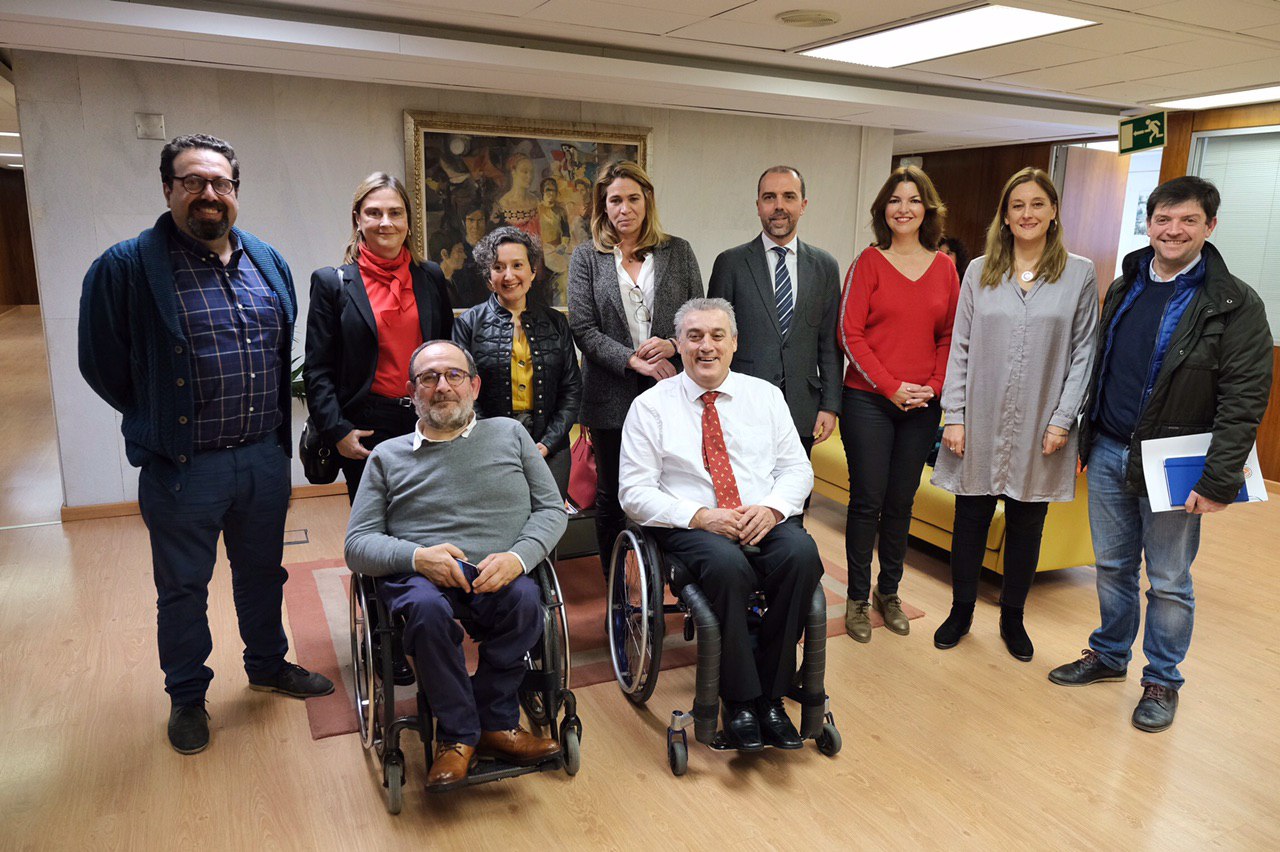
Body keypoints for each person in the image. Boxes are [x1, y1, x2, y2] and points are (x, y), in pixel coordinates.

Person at [78, 133, 333, 756]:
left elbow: (279, 351)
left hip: (262, 457)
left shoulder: (266, 260)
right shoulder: (125, 267)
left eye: (220, 182)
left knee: (262, 574)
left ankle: (268, 665)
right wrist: (156, 417)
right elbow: (100, 363)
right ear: (168, 188)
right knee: (184, 589)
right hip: (184, 467)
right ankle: (188, 696)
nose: (208, 193)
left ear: (235, 192)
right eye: (193, 181)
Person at [1048, 176, 1272, 733]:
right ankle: (1109, 654)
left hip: (1175, 464)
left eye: (1188, 220)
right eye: (1163, 219)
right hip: (1109, 449)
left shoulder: (1234, 303)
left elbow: (1244, 397)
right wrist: (1086, 435)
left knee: (1169, 578)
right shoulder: (1127, 283)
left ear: (1210, 226)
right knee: (1112, 566)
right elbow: (1102, 367)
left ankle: (1162, 680)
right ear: (1149, 224)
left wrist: (1218, 480)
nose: (1174, 230)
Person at [345, 339, 567, 790]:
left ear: (474, 386)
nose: (442, 386)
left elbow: (550, 509)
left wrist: (519, 557)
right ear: (412, 391)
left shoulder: (510, 434)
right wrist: (416, 557)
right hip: (420, 578)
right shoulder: (387, 456)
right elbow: (357, 544)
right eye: (429, 378)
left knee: (528, 603)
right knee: (426, 613)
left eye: (453, 375)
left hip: (500, 570)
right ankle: (458, 735)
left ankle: (495, 723)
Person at [619, 297, 822, 751]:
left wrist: (772, 509)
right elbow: (633, 492)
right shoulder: (650, 407)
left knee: (802, 554)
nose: (705, 346)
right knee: (728, 567)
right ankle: (742, 701)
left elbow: (797, 469)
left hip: (760, 514)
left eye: (716, 336)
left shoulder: (765, 396)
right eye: (694, 337)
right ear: (678, 345)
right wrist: (700, 516)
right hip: (692, 525)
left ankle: (771, 697)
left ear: (735, 343)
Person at [931, 167, 1098, 662]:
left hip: (1043, 420)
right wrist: (955, 414)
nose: (1027, 214)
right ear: (1004, 216)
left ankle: (1013, 618)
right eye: (1017, 205)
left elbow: (1085, 351)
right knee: (971, 518)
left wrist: (1063, 418)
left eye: (1037, 204)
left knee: (1028, 523)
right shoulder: (979, 270)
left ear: (1053, 212)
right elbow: (960, 346)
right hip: (980, 414)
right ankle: (961, 612)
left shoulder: (1079, 273)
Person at [837, 166, 960, 643]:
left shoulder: (945, 268)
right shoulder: (868, 262)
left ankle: (888, 593)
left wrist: (934, 385)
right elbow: (850, 334)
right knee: (867, 500)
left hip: (922, 405)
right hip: (869, 400)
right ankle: (856, 597)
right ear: (882, 210)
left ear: (927, 209)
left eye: (912, 200)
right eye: (894, 200)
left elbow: (951, 336)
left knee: (901, 502)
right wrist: (890, 386)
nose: (903, 208)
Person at [568, 160, 704, 568]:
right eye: (615, 201)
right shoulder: (587, 257)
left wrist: (673, 344)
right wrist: (632, 361)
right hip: (609, 395)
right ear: (603, 206)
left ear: (647, 202)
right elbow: (583, 328)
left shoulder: (678, 251)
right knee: (612, 495)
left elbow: (698, 315)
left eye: (632, 199)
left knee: (670, 486)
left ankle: (667, 574)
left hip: (670, 392)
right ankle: (615, 583)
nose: (624, 209)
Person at [304, 172, 454, 504]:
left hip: (428, 420)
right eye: (374, 213)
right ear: (358, 220)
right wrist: (338, 431)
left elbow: (447, 350)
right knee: (376, 525)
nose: (385, 222)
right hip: (367, 428)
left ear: (408, 222)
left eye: (395, 213)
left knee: (432, 517)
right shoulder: (332, 283)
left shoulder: (430, 276)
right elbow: (318, 370)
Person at [707, 165, 841, 453]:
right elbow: (715, 341)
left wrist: (830, 405)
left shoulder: (825, 266)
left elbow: (829, 343)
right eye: (770, 197)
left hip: (802, 409)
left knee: (796, 483)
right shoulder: (730, 263)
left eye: (789, 196)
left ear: (803, 205)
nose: (779, 206)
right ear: (758, 206)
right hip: (740, 407)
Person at [453, 226, 582, 495]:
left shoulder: (556, 322)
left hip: (551, 447)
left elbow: (571, 389)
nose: (509, 275)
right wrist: (494, 440)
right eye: (498, 267)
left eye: (517, 265)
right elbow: (462, 392)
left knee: (548, 517)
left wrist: (548, 442)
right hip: (488, 447)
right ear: (489, 276)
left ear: (532, 271)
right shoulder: (468, 324)